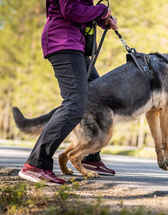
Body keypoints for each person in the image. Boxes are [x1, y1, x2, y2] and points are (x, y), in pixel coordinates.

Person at [18, 0, 119, 185]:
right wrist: (102, 9)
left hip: (75, 43)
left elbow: (82, 10)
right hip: (63, 43)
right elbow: (70, 11)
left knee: (99, 97)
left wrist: (103, 19)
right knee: (74, 105)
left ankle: (90, 158)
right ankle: (36, 165)